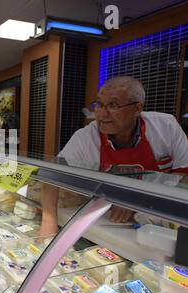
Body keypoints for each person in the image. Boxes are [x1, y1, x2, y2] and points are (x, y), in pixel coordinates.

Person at [40, 76, 188, 236]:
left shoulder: (166, 127)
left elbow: (184, 177)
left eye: (113, 105)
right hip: (108, 219)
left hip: (162, 222)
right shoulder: (86, 137)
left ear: (137, 108)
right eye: (99, 104)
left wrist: (135, 201)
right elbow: (51, 176)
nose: (102, 113)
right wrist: (49, 224)